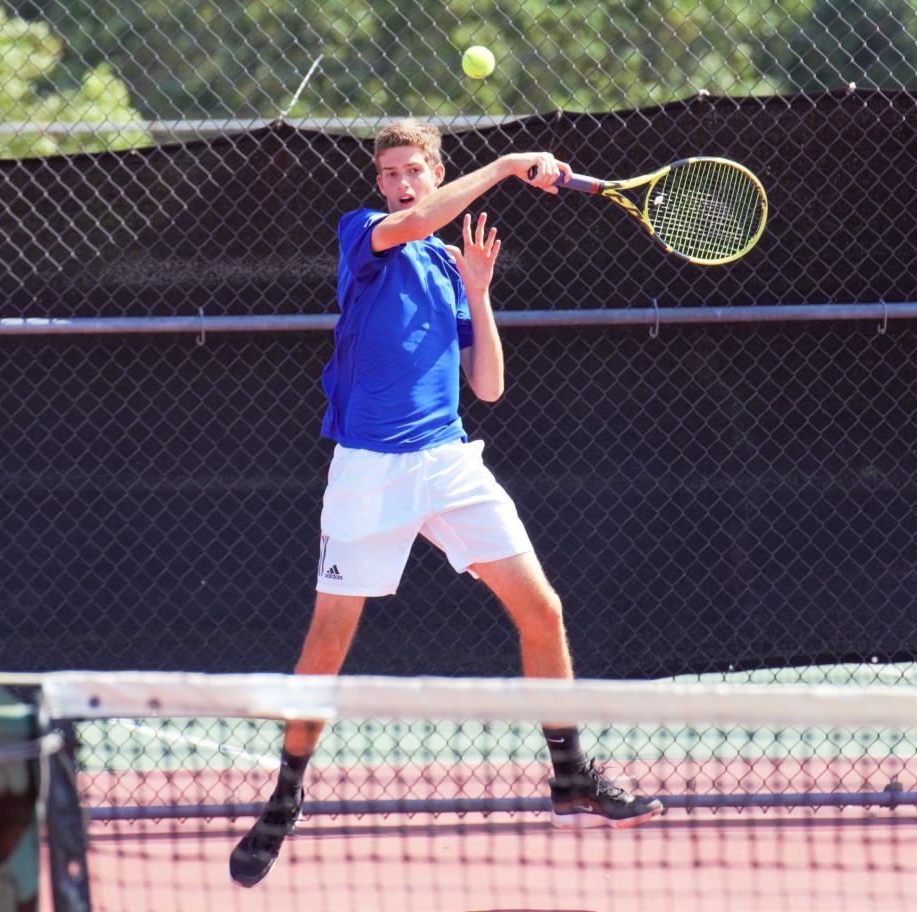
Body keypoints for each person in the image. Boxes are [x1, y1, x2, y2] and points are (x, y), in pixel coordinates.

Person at [230, 119, 663, 888]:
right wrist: (505, 164)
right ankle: (286, 798)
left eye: (413, 171)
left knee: (544, 610)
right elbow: (419, 224)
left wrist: (479, 296)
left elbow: (488, 385)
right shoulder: (367, 234)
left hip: (449, 463)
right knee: (328, 642)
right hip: (368, 473)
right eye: (390, 172)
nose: (401, 183)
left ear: (435, 171)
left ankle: (570, 775)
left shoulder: (443, 264)